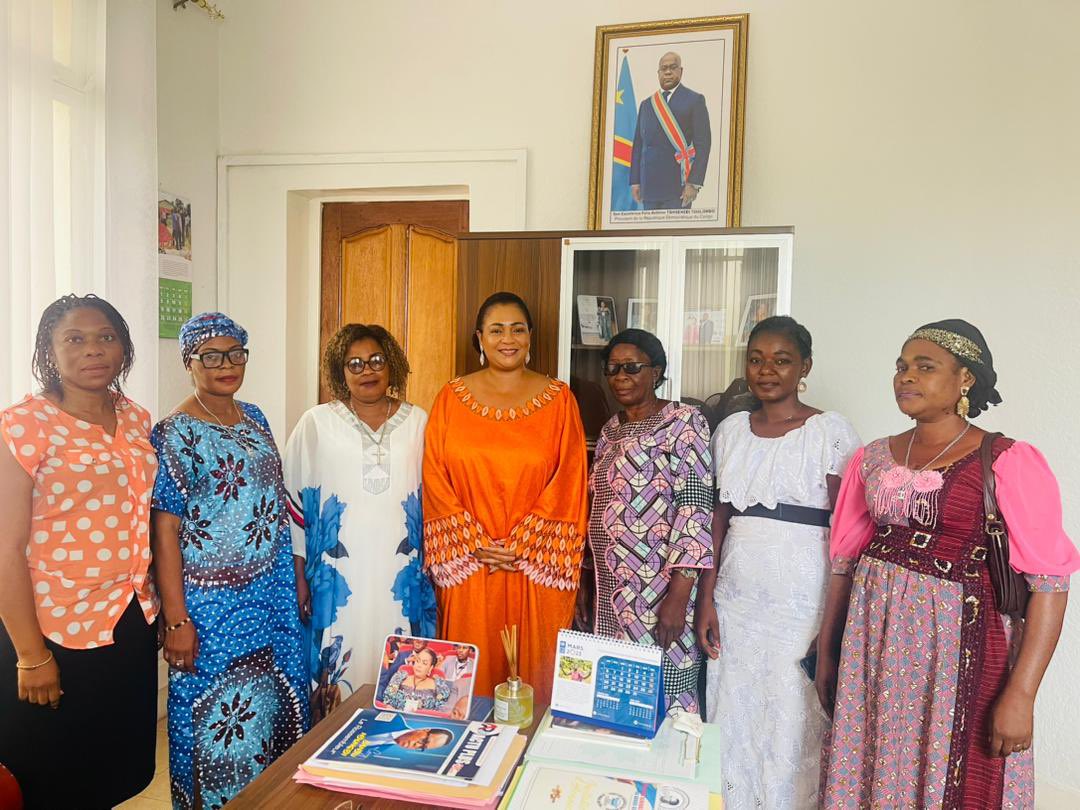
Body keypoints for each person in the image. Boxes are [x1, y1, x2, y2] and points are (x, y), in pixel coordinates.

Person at [818, 320, 1080, 808]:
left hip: (960, 649)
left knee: (954, 774)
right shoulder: (872, 458)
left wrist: (1022, 694)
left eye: (925, 366)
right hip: (872, 649)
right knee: (873, 768)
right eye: (901, 367)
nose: (906, 377)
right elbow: (845, 563)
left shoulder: (1006, 460)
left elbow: (1050, 583)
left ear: (965, 379)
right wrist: (829, 652)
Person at [0, 294, 160, 808]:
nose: (93, 349)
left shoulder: (137, 419)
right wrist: (29, 655)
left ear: (124, 349)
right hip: (53, 628)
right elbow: (5, 547)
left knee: (116, 768)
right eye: (74, 338)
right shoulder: (24, 425)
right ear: (49, 350)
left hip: (130, 617)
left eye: (105, 337)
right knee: (50, 777)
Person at [694, 316, 860, 809]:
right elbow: (716, 521)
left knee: (792, 715)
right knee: (734, 710)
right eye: (757, 359)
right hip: (737, 596)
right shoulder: (729, 431)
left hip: (801, 601)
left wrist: (831, 628)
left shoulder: (829, 432)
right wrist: (706, 600)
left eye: (782, 360)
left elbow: (847, 534)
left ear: (804, 367)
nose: (767, 370)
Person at [151, 312, 308, 809]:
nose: (226, 365)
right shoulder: (172, 433)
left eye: (235, 353)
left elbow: (275, 501)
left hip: (270, 594)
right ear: (188, 362)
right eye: (211, 356)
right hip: (210, 605)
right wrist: (176, 618)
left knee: (273, 709)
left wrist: (296, 575)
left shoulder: (256, 417)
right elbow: (165, 529)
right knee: (217, 720)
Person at [423, 291, 588, 704]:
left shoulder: (559, 400)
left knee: (536, 675)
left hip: (535, 565)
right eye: (496, 330)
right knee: (468, 680)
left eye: (517, 329)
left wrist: (523, 544)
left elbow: (570, 477)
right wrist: (472, 542)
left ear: (531, 336)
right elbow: (434, 475)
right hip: (471, 565)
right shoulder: (450, 398)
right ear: (480, 338)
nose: (507, 338)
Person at [284, 323, 433, 722]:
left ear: (392, 364)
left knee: (407, 673)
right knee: (337, 676)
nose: (367, 370)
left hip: (401, 576)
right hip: (336, 579)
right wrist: (299, 576)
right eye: (354, 363)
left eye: (376, 360)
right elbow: (294, 505)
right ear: (339, 370)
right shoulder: (316, 424)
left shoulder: (419, 421)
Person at [586, 329, 713, 714]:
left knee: (665, 690)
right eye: (612, 369)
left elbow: (695, 507)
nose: (620, 377)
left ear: (656, 372)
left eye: (632, 367)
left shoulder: (683, 422)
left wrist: (679, 596)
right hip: (611, 590)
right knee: (618, 697)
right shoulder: (610, 431)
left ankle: (666, 772)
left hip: (661, 588)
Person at [629, 51, 712, 210]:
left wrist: (694, 183)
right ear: (658, 73)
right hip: (649, 186)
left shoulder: (694, 100)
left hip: (678, 187)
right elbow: (638, 146)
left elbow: (703, 144)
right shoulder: (646, 104)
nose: (668, 72)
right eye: (664, 68)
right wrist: (635, 181)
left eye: (673, 67)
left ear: (681, 71)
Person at [381, 646, 453, 713]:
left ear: (430, 668)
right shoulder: (399, 677)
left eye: (424, 663)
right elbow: (387, 701)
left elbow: (440, 711)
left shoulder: (438, 685)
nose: (419, 665)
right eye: (417, 661)